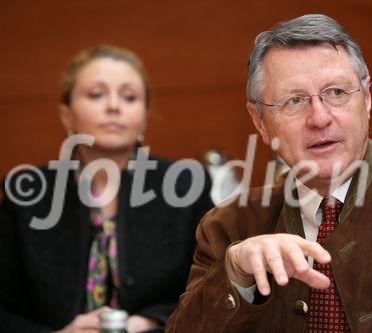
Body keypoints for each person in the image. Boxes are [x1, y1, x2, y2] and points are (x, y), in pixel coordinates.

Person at [166, 14, 372, 332]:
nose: (320, 118)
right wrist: (235, 278)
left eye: (336, 93)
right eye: (294, 101)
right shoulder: (229, 229)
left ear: (366, 97)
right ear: (260, 122)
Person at [0, 45, 213, 333]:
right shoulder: (25, 191)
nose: (114, 106)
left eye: (129, 97)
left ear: (144, 115)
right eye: (96, 94)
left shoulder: (184, 184)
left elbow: (214, 283)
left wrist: (151, 322)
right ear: (66, 115)